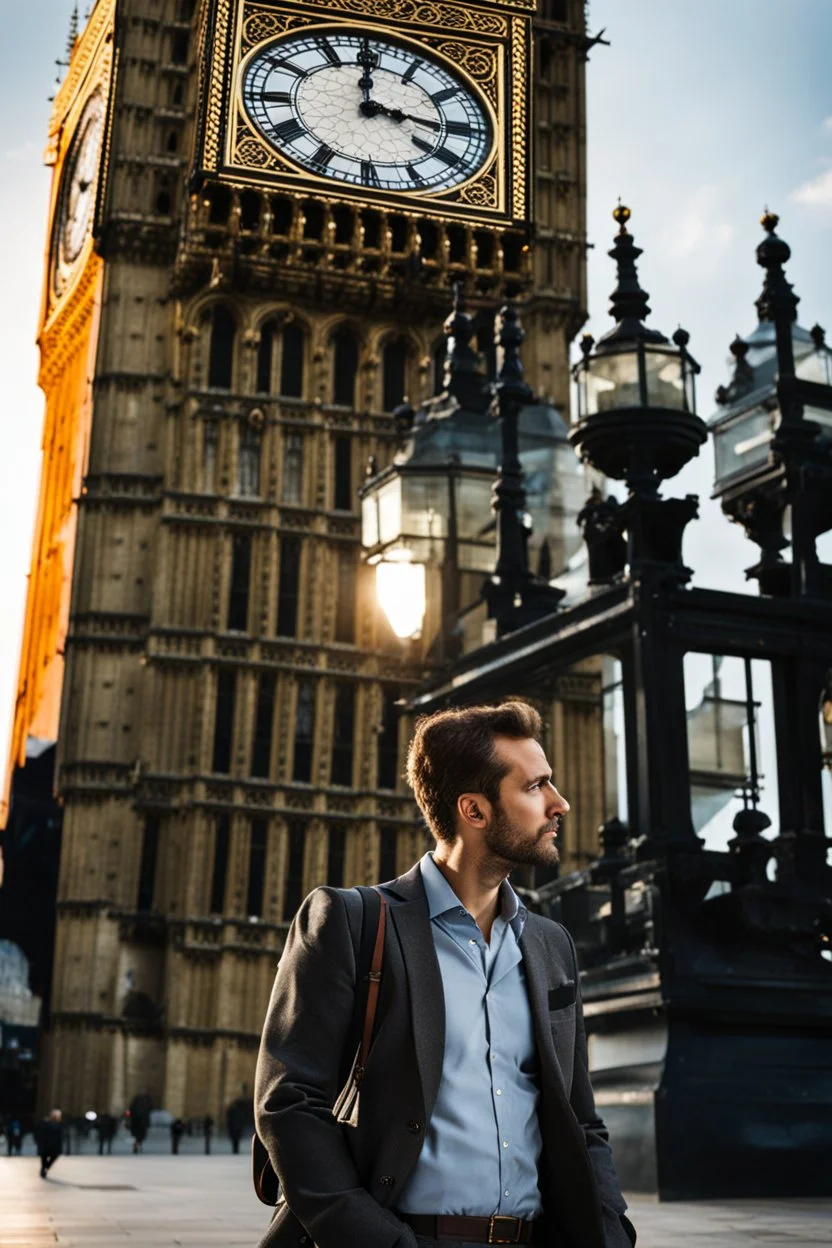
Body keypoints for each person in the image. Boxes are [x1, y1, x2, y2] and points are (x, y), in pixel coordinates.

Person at [255, 701, 636, 1248]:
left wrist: (611, 1232)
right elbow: (288, 1100)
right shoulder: (350, 921)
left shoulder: (551, 945)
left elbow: (580, 1118)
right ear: (474, 812)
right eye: (535, 788)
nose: (560, 804)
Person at [34, 1109, 64, 1179]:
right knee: (44, 1158)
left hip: (53, 1145)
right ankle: (43, 1169)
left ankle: (45, 1168)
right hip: (45, 1144)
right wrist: (39, 1141)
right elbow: (39, 1132)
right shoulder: (45, 1123)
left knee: (53, 1156)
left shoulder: (59, 1125)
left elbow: (60, 1136)